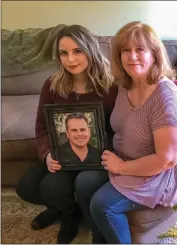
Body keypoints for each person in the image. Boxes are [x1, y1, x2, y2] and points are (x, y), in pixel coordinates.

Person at [87, 21, 177, 244]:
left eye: (139, 49)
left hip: (158, 175)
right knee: (85, 182)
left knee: (103, 205)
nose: (131, 56)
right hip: (127, 161)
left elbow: (167, 160)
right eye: (125, 50)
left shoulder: (166, 97)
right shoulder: (126, 83)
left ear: (154, 54)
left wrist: (122, 167)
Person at [15, 25, 118, 244]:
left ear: (90, 49)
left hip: (97, 157)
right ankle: (65, 212)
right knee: (28, 187)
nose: (70, 59)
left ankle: (70, 214)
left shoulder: (111, 86)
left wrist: (105, 150)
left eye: (77, 51)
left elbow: (119, 127)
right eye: (64, 53)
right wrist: (46, 155)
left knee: (79, 183)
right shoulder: (52, 85)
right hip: (63, 154)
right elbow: (41, 128)